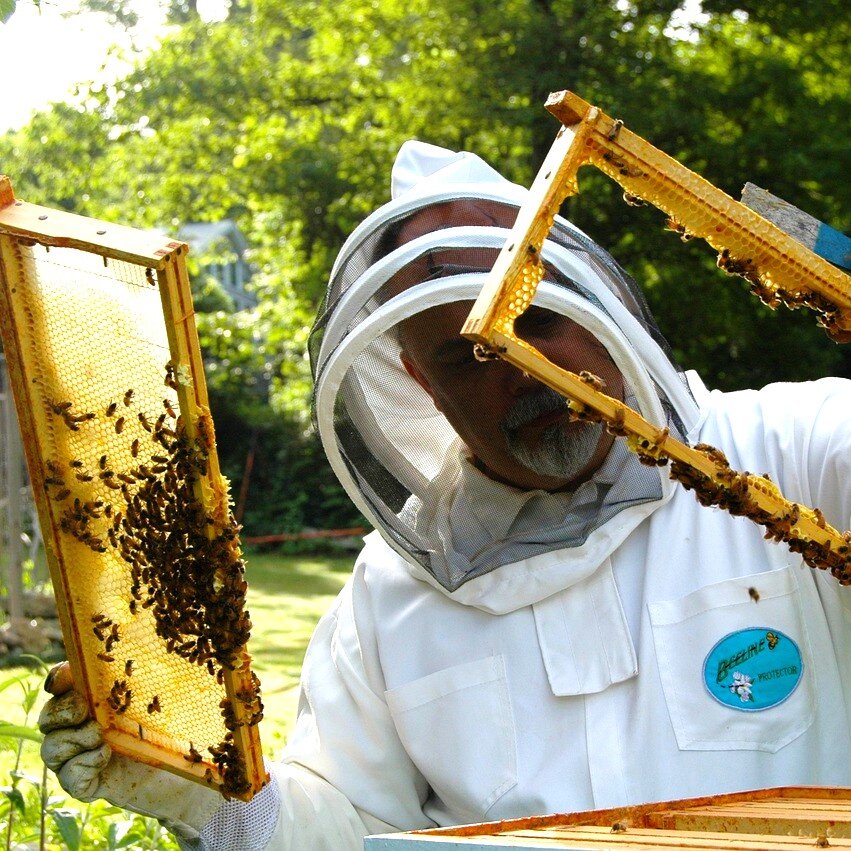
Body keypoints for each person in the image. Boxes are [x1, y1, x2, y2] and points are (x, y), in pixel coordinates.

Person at [38, 140, 851, 850]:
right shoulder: (387, 600)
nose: (521, 371)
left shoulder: (793, 449)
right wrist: (196, 788)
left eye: (533, 321)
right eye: (467, 355)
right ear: (420, 380)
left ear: (597, 304)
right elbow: (346, 831)